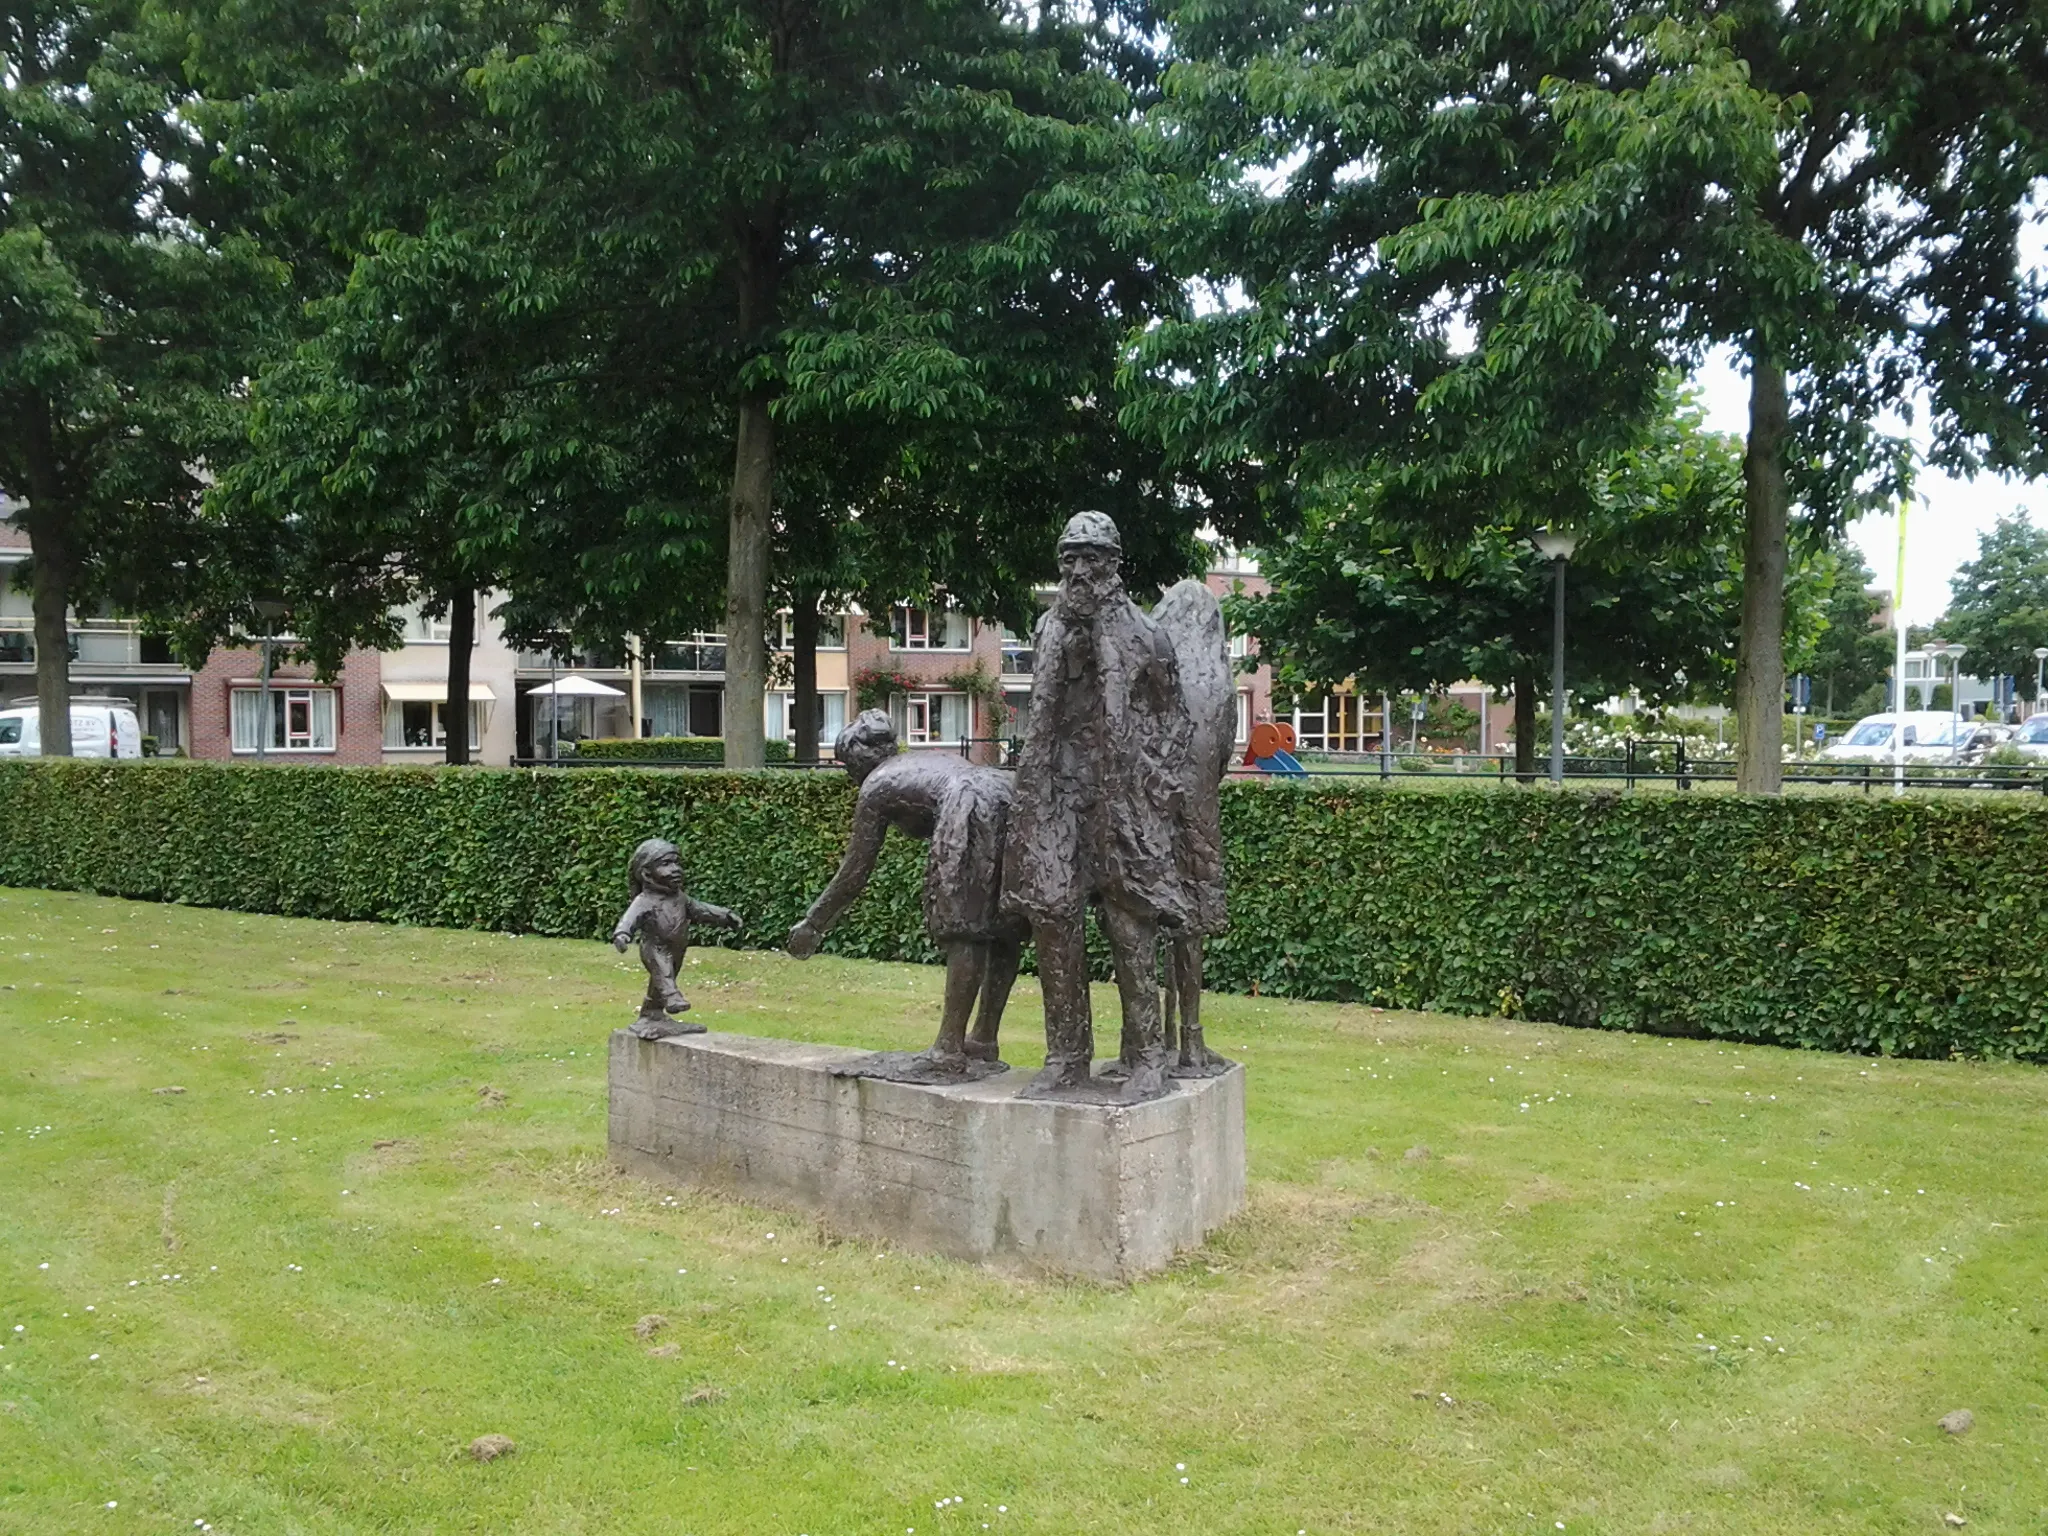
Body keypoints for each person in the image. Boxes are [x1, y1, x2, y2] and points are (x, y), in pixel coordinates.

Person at [1004, 510, 1193, 1102]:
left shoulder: (1145, 635)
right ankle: (1065, 1056)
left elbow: (1175, 718)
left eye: (1091, 558)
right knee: (1054, 922)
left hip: (1122, 798)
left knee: (1128, 922)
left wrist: (1155, 784)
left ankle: (1146, 1056)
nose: (1079, 571)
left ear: (1114, 564)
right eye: (1070, 559)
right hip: (1057, 795)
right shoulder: (1047, 629)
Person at [788, 710, 1025, 1078]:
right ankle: (983, 1039)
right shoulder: (926, 760)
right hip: (1005, 790)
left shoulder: (876, 785)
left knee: (965, 927)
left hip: (971, 802)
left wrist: (813, 922)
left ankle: (948, 1047)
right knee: (1004, 925)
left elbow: (855, 871)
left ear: (856, 759)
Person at [612, 838, 744, 1039]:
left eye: (676, 863)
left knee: (659, 982)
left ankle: (651, 1014)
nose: (675, 869)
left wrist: (725, 916)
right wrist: (622, 935)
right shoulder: (644, 901)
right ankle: (672, 998)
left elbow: (701, 910)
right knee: (663, 974)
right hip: (655, 947)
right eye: (666, 864)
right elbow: (629, 919)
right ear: (646, 873)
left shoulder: (680, 898)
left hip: (677, 948)